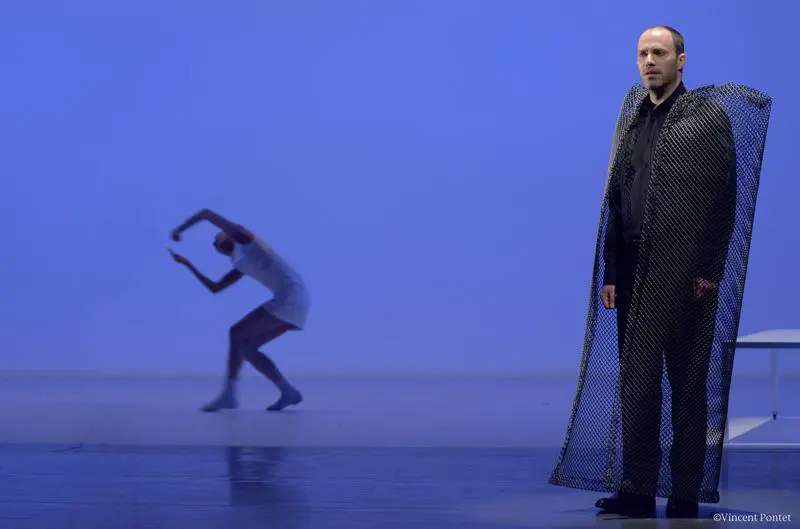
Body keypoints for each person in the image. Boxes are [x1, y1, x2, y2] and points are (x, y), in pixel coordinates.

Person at [549, 24, 774, 519]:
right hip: (632, 267)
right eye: (642, 53)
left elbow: (724, 200)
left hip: (684, 271)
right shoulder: (634, 119)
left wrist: (709, 269)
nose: (649, 61)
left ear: (681, 60)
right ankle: (637, 488)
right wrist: (611, 272)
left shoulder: (704, 119)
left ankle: (685, 492)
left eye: (659, 52)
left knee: (687, 382)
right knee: (638, 381)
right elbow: (616, 200)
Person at [168, 207, 309, 412]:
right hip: (297, 301)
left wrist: (179, 230)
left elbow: (207, 214)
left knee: (236, 332)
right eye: (214, 243)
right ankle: (288, 392)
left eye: (218, 236)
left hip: (291, 296)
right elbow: (215, 288)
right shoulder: (240, 263)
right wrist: (187, 264)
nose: (215, 241)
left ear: (231, 234)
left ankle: (229, 395)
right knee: (248, 348)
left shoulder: (248, 242)